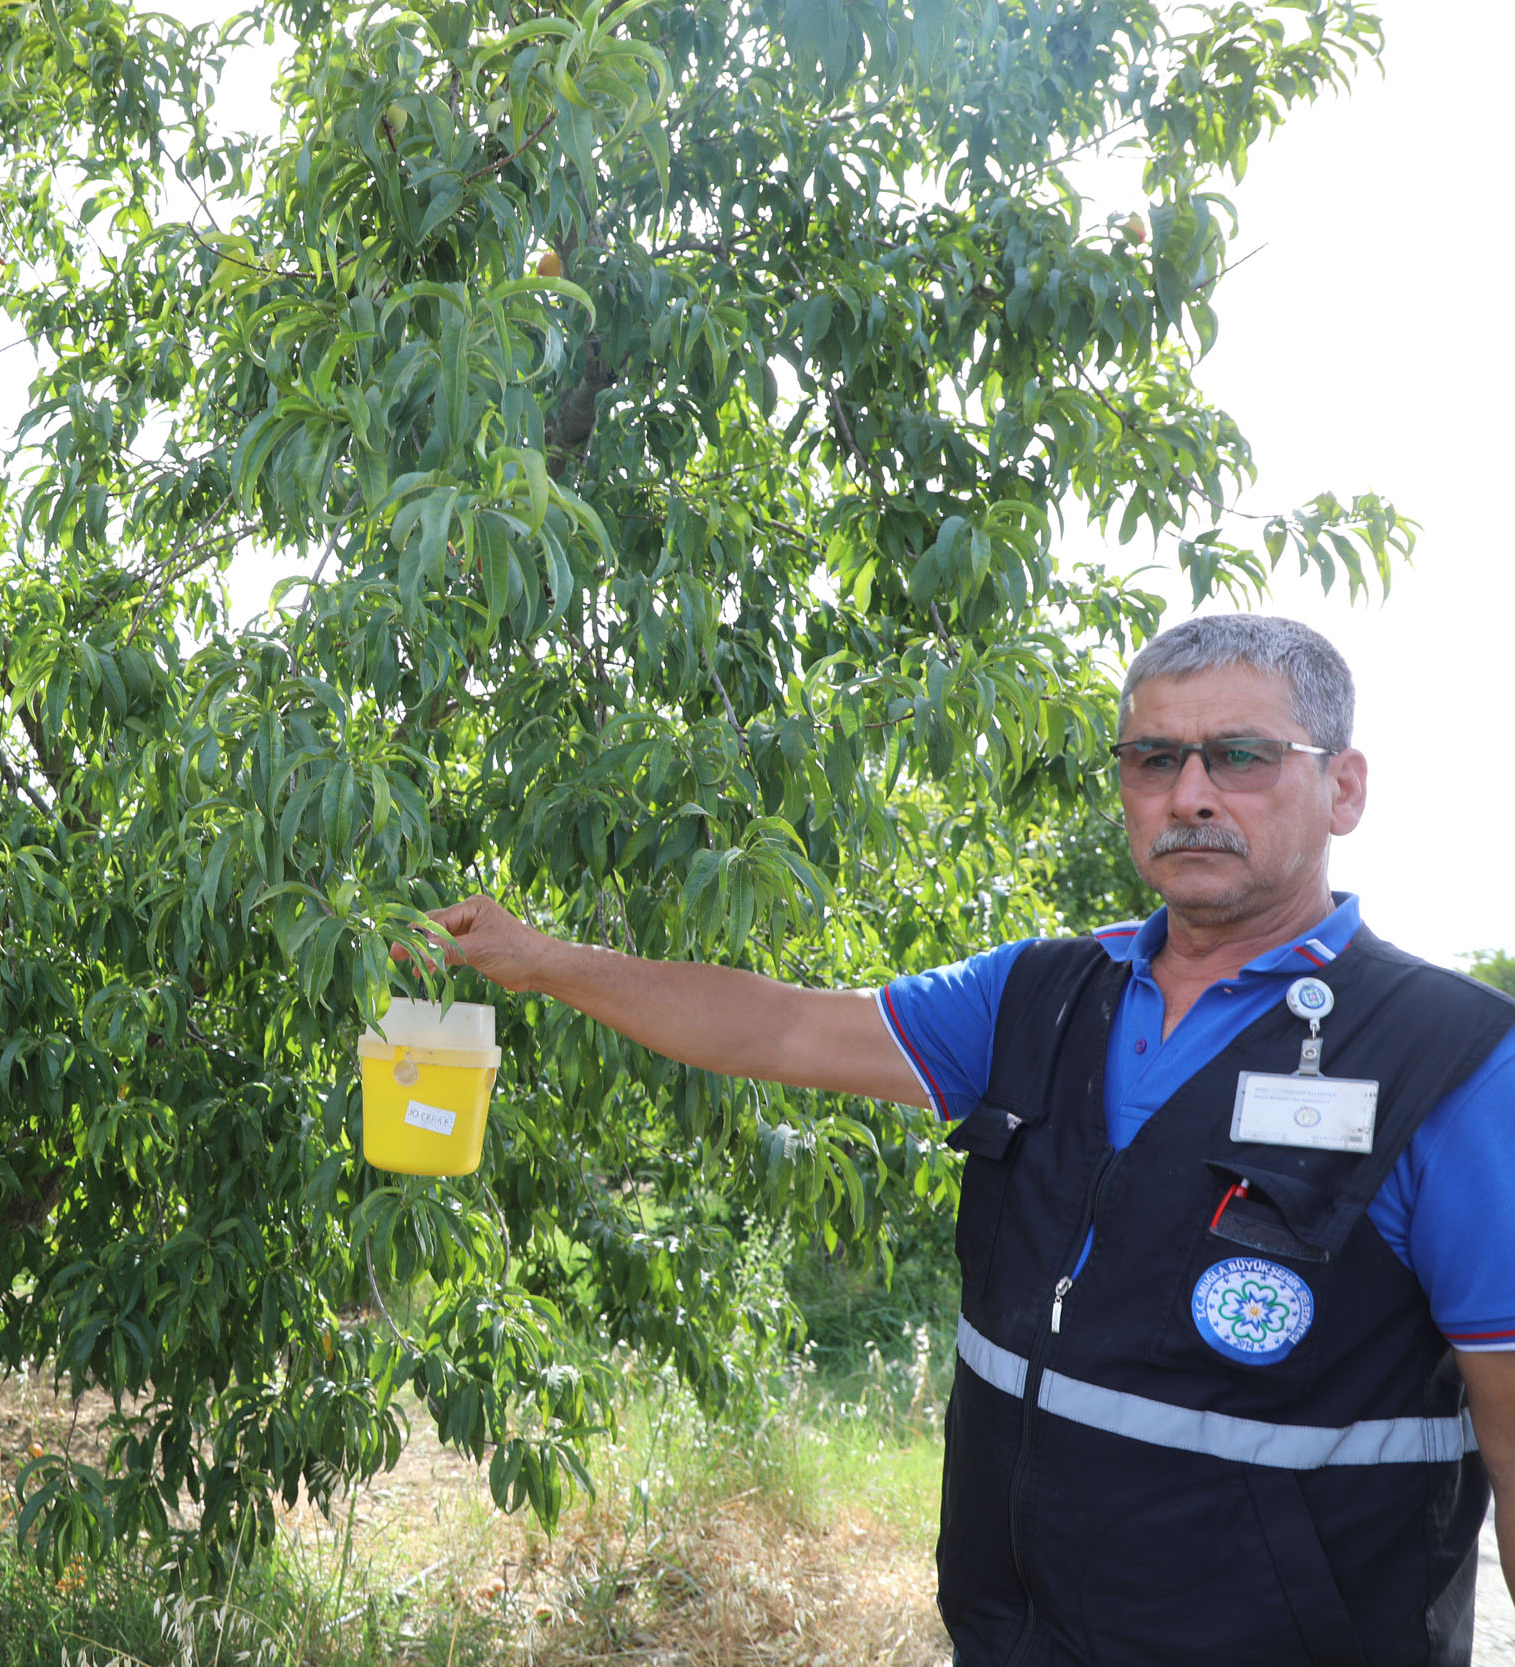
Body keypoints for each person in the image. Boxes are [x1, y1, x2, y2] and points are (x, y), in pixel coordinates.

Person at [416, 614, 1515, 1666]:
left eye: (1239, 755)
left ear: (1344, 787)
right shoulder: (1036, 994)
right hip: (1011, 1636)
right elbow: (783, 1021)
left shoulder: (1449, 1057)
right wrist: (538, 958)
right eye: (1152, 758)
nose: (1189, 793)